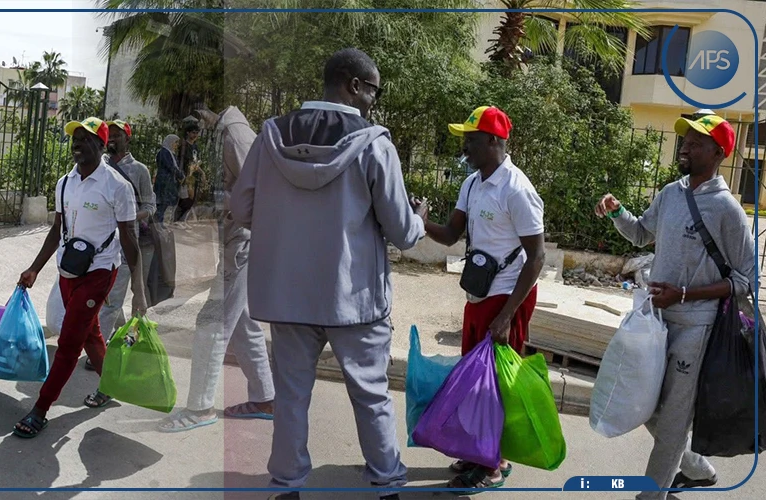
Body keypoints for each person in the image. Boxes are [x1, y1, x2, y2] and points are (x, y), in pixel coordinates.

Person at [230, 47, 421, 500]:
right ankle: (385, 481)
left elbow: (241, 208)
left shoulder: (271, 135)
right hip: (353, 298)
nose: (373, 100)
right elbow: (402, 231)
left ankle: (287, 485)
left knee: (291, 396)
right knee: (371, 395)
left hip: (287, 295)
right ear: (353, 85)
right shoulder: (374, 142)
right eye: (372, 90)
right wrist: (417, 216)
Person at [594, 114, 753, 499]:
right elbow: (641, 234)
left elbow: (746, 280)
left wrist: (683, 295)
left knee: (672, 425)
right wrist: (616, 212)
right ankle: (696, 467)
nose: (685, 146)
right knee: (646, 404)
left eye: (696, 142)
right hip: (657, 321)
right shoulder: (670, 193)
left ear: (718, 152)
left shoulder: (727, 210)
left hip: (695, 330)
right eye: (685, 140)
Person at [412, 105, 545, 492]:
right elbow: (452, 234)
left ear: (493, 141)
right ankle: (477, 451)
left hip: (508, 296)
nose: (465, 147)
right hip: (479, 294)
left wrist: (507, 315)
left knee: (496, 383)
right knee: (474, 380)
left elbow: (535, 258)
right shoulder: (471, 184)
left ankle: (494, 464)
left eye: (470, 140)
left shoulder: (518, 189)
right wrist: (420, 221)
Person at [12, 117, 148, 439]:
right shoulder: (65, 183)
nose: (76, 143)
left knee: (70, 343)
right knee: (90, 335)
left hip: (100, 272)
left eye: (85, 138)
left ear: (101, 146)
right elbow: (56, 230)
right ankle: (109, 385)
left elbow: (130, 241)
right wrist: (35, 268)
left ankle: (40, 409)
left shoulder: (118, 186)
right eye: (74, 137)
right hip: (67, 270)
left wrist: (138, 293)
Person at [157, 103, 275, 433]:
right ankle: (265, 397)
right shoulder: (230, 132)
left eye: (198, 111)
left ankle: (199, 408)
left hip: (240, 244)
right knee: (241, 323)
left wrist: (236, 218)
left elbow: (263, 189)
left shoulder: (235, 134)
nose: (197, 121)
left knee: (211, 322)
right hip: (238, 242)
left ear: (211, 107)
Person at [82, 120, 156, 371]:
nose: (112, 139)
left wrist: (129, 216)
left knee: (117, 298)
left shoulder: (139, 171)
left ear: (128, 139)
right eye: (109, 135)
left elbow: (150, 206)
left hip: (128, 243)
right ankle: (119, 337)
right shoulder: (98, 166)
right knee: (108, 298)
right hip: (100, 245)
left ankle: (98, 354)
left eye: (117, 135)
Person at [154, 134, 184, 223]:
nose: (176, 145)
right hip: (164, 183)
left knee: (165, 204)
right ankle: (157, 223)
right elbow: (170, 167)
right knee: (161, 204)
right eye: (175, 142)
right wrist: (180, 175)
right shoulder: (164, 153)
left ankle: (159, 222)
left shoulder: (171, 153)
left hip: (169, 183)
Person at [175, 122, 202, 223]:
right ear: (188, 133)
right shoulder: (183, 145)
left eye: (197, 133)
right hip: (184, 175)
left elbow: (196, 162)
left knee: (191, 200)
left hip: (192, 177)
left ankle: (182, 221)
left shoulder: (195, 147)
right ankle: (177, 221)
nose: (195, 135)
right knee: (183, 200)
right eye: (193, 132)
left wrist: (201, 172)